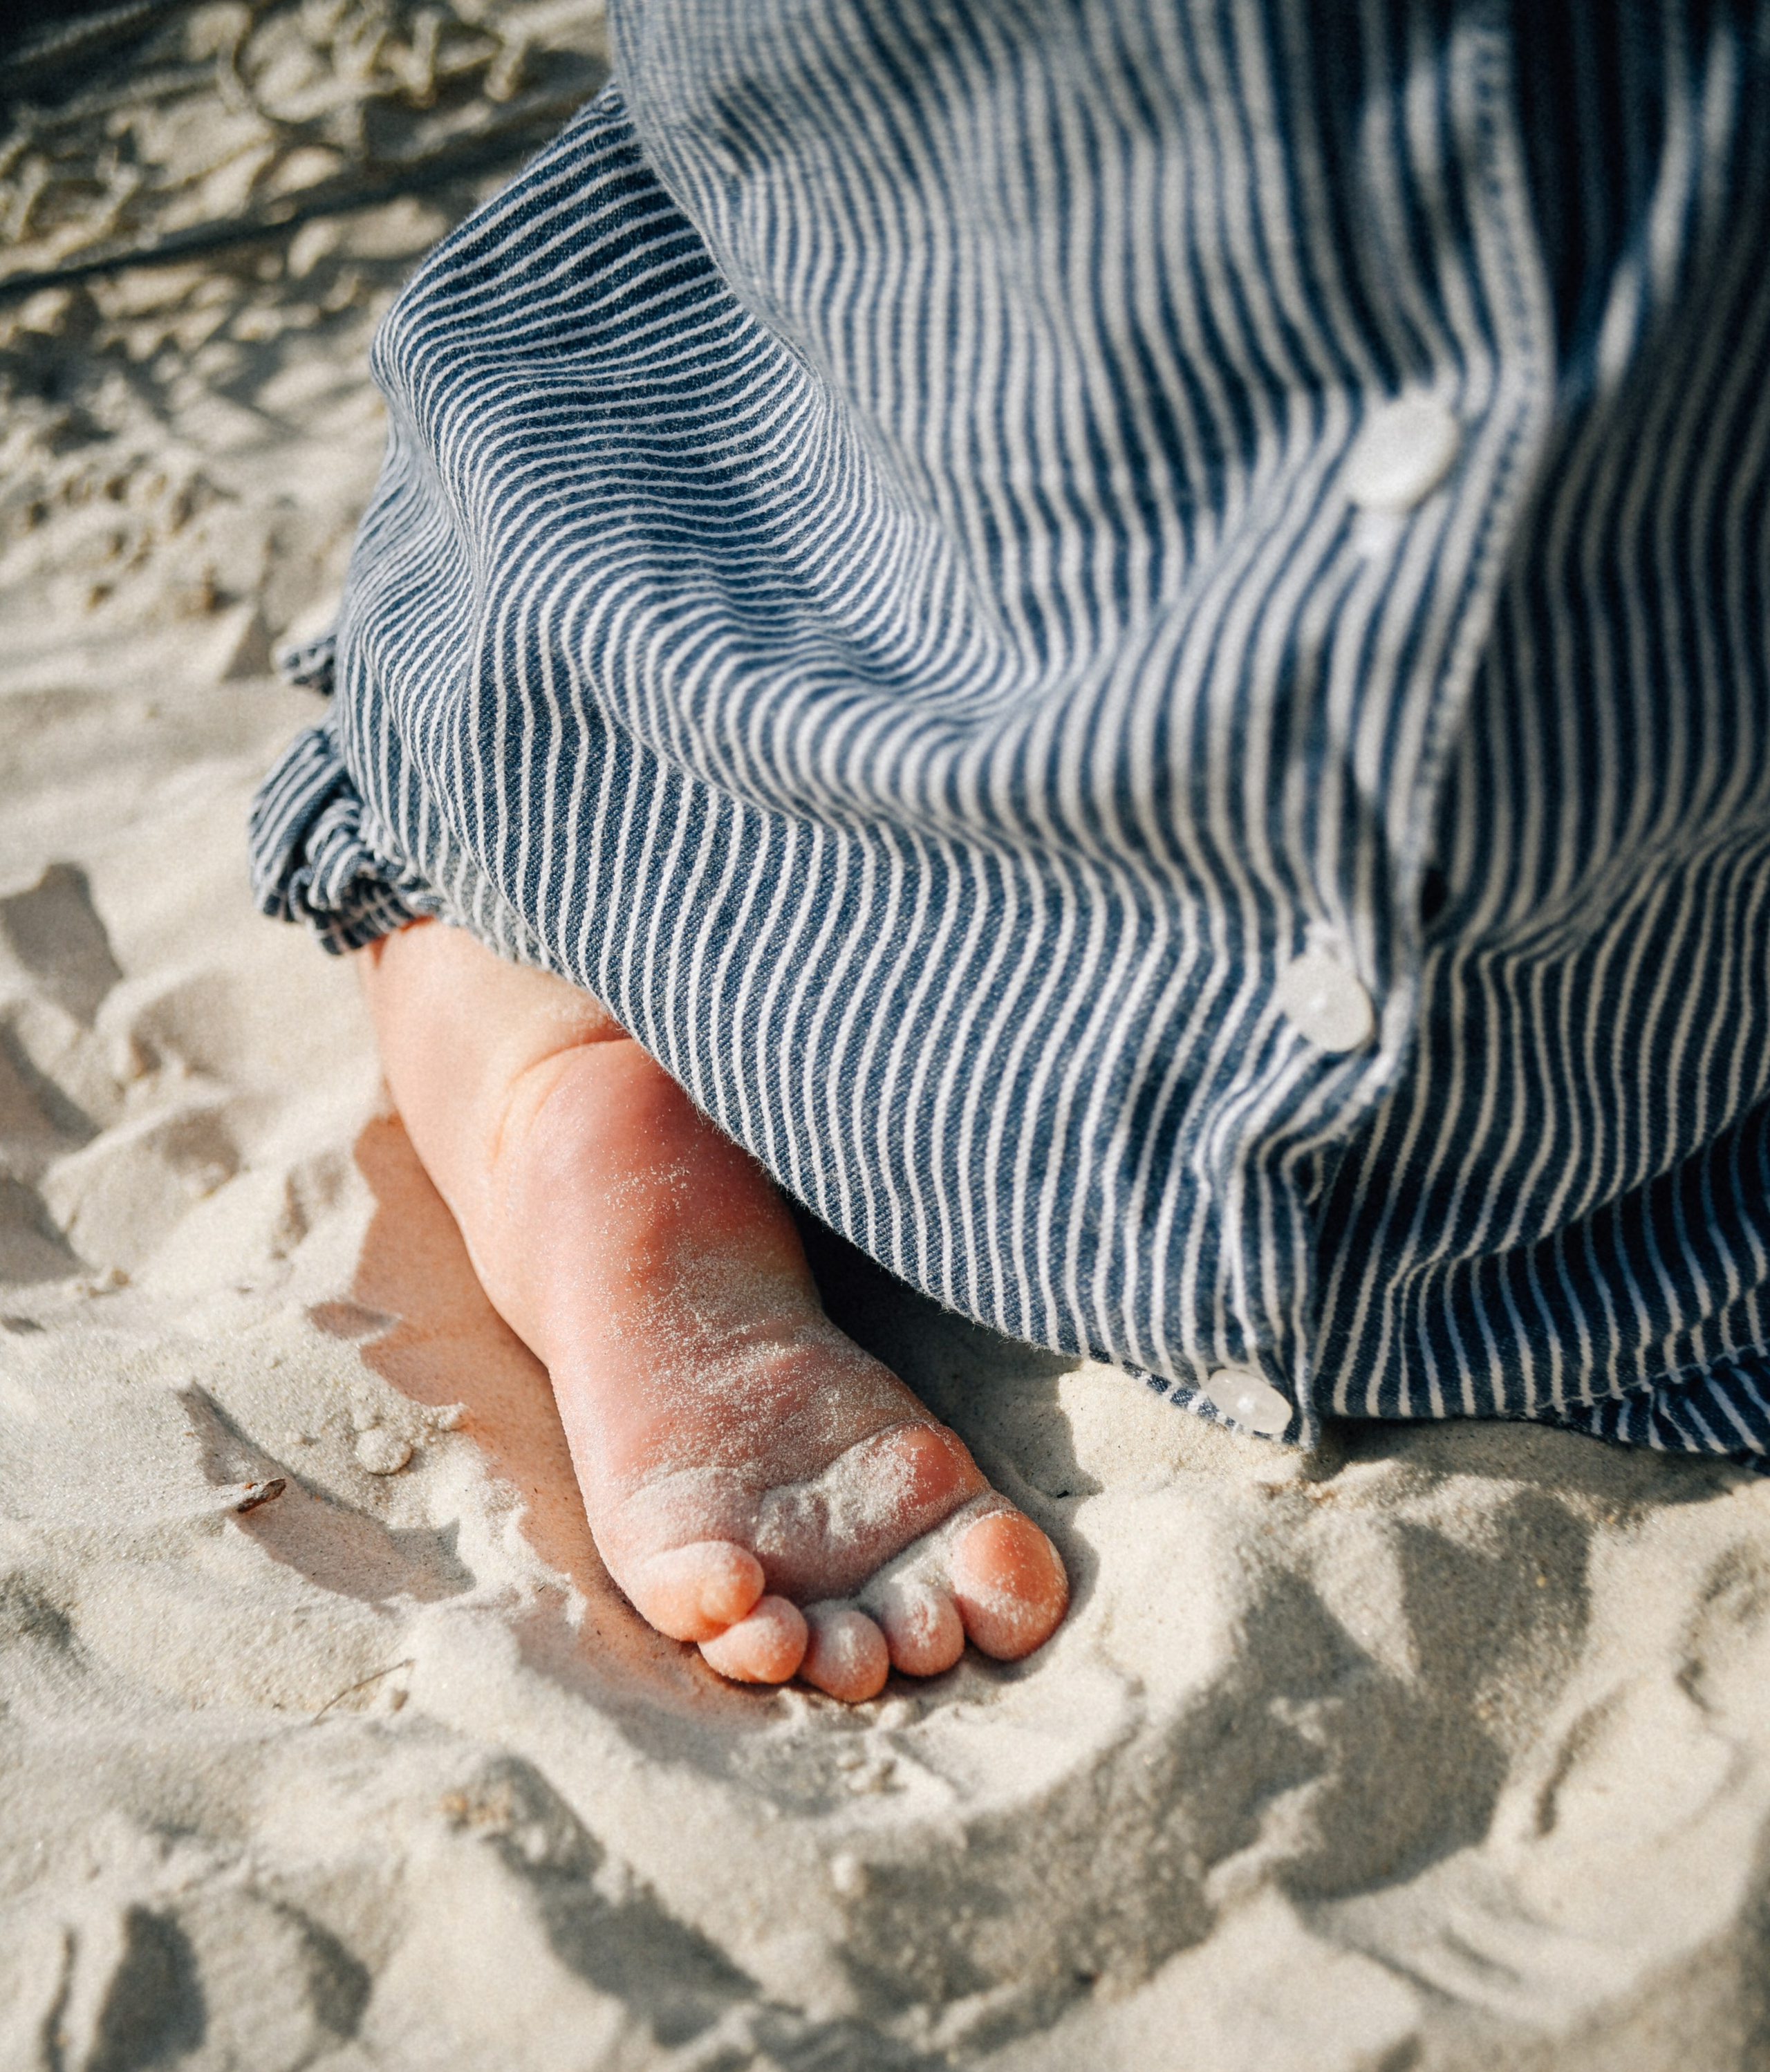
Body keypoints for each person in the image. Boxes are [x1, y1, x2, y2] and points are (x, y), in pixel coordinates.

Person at [253, 0, 1770, 1703]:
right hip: (1633, 1083)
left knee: (652, 697)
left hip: (820, 809)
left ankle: (564, 1044)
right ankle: (560, 1043)